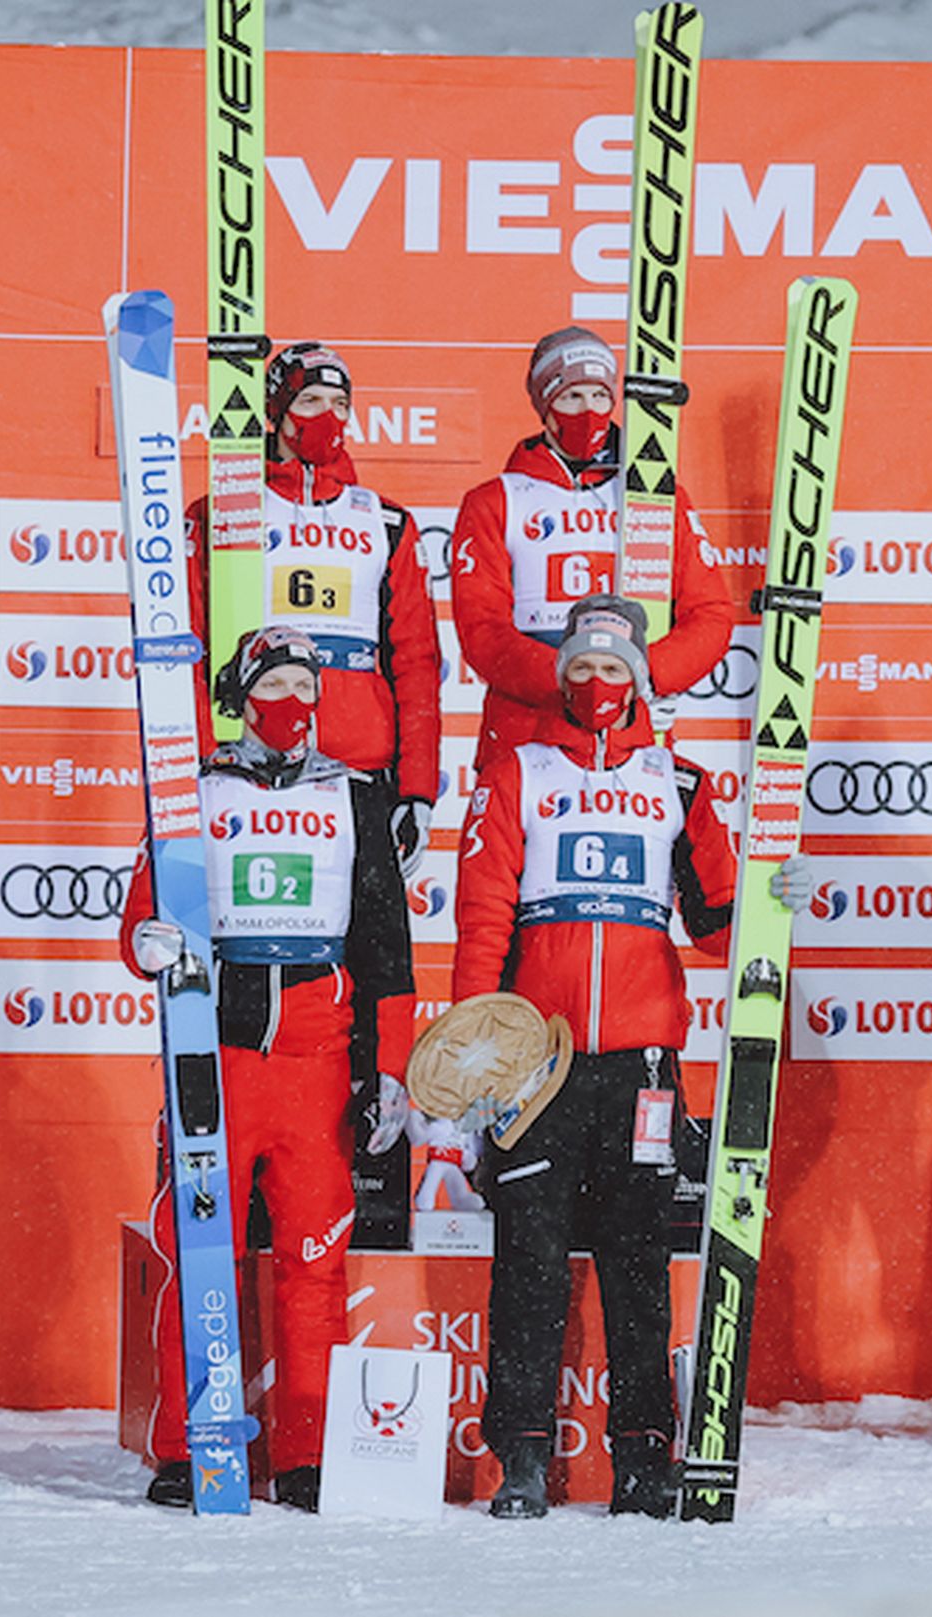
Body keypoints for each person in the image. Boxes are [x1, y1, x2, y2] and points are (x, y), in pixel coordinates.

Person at [452, 596, 772, 1519]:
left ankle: (643, 1455)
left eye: (613, 669)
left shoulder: (678, 782)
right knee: (529, 1259)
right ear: (562, 678)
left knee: (637, 1258)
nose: (597, 683)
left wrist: (772, 890)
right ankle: (517, 1454)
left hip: (640, 1063)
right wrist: (479, 1050)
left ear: (640, 679)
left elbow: (717, 923)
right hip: (536, 1066)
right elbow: (483, 919)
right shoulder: (519, 771)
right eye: (581, 669)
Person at [118, 627, 417, 1511]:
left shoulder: (355, 797)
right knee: (195, 1244)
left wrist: (390, 1068)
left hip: (316, 1058)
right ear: (242, 697)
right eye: (273, 684)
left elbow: (387, 948)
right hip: (215, 1049)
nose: (291, 701)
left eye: (303, 684)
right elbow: (145, 906)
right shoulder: (194, 789)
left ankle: (307, 1453)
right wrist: (145, 942)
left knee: (314, 1259)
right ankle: (187, 1445)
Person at [184, 341, 444, 1244]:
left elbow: (416, 658)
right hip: (246, 770)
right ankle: (226, 1150)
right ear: (276, 406)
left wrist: (415, 786)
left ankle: (359, 1126)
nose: (324, 413)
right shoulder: (229, 512)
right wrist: (200, 764)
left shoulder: (386, 523)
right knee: (243, 931)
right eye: (308, 397)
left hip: (357, 780)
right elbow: (194, 641)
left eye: (339, 397)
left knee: (367, 953)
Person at [447, 326, 735, 771]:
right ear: (545, 407)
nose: (589, 412)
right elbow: (483, 631)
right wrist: (574, 682)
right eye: (571, 397)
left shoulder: (657, 497)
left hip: (631, 724)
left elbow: (711, 613)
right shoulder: (494, 501)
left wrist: (644, 676)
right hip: (528, 729)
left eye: (600, 397)